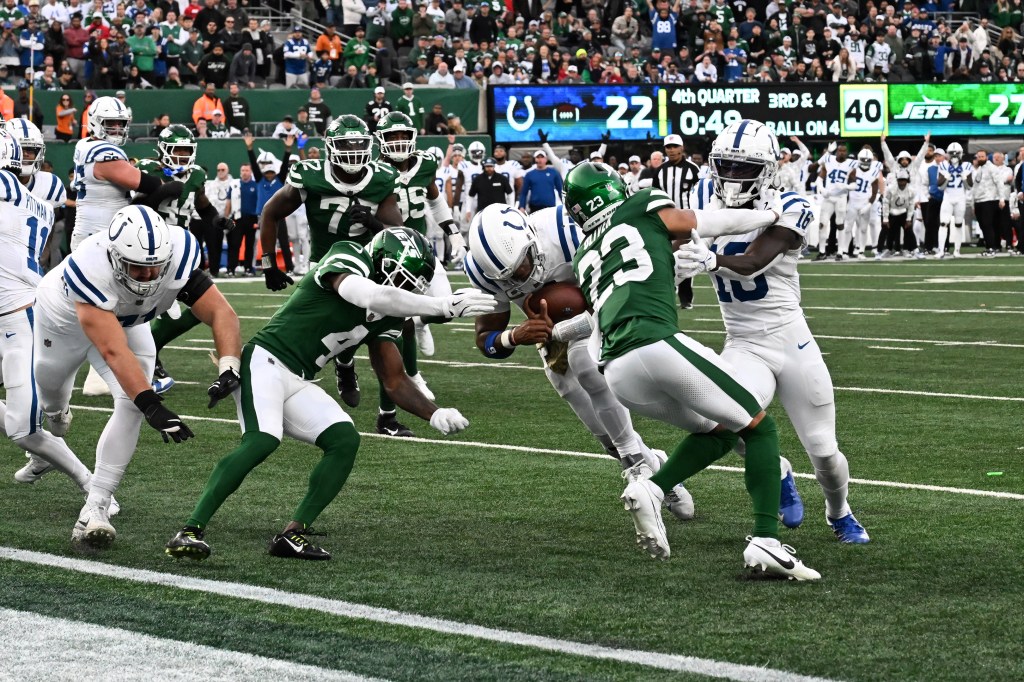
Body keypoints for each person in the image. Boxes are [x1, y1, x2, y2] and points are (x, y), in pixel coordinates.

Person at [165, 228, 493, 560]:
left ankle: (293, 534)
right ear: (386, 263)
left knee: (344, 440)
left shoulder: (390, 312)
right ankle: (190, 530)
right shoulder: (348, 254)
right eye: (406, 278)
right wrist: (439, 304)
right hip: (265, 360)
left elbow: (393, 380)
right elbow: (371, 296)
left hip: (300, 377)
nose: (409, 289)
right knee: (262, 440)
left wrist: (433, 412)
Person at [564, 161, 820, 580]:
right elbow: (706, 221)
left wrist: (558, 329)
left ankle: (652, 487)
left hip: (617, 372)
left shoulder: (585, 256)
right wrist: (770, 216)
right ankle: (765, 542)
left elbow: (595, 321)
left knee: (719, 431)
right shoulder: (641, 205)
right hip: (655, 344)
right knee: (760, 426)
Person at [678, 119, 869, 545]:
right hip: (743, 342)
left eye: (744, 168)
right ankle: (779, 472)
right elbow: (682, 244)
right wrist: (683, 279)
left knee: (823, 450)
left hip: (790, 340)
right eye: (725, 164)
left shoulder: (793, 204)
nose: (732, 176)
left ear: (769, 168)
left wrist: (708, 262)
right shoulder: (700, 197)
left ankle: (839, 512)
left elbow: (752, 261)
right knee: (725, 418)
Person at [464, 202, 695, 521]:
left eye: (523, 263)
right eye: (510, 276)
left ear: (530, 236)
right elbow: (485, 340)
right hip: (550, 335)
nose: (521, 275)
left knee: (586, 365)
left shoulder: (566, 230)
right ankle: (655, 465)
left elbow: (626, 286)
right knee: (603, 434)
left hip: (602, 306)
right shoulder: (483, 271)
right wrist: (515, 336)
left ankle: (637, 466)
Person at [34, 204, 241, 549]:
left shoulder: (179, 254)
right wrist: (152, 405)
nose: (147, 277)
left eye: (154, 268)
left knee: (130, 404)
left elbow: (221, 312)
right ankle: (54, 421)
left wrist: (228, 366)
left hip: (128, 322)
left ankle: (96, 506)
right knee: (52, 402)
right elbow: (114, 351)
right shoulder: (91, 267)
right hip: (64, 323)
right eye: (136, 268)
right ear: (115, 257)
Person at [259, 116, 414, 434]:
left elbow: (398, 233)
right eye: (346, 144)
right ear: (330, 147)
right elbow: (271, 213)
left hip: (372, 268)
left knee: (391, 333)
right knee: (316, 337)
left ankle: (387, 417)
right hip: (325, 268)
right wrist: (267, 262)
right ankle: (341, 364)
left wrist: (374, 224)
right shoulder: (311, 175)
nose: (354, 151)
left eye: (360, 144)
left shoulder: (381, 178)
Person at [0, 128, 100, 505]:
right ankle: (46, 444)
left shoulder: (9, 191)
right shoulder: (37, 203)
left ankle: (91, 483)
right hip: (16, 306)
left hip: (18, 318)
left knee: (22, 429)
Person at [246, 131, 295, 274]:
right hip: (264, 216)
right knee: (266, 245)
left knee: (284, 243)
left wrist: (287, 150)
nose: (269, 175)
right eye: (267, 172)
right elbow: (255, 167)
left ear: (275, 172)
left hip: (280, 215)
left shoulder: (279, 180)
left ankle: (290, 268)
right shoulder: (260, 180)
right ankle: (267, 268)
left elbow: (285, 163)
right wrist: (250, 149)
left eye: (271, 172)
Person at [816, 142, 857, 260]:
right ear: (836, 151)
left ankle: (840, 252)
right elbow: (819, 178)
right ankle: (822, 252)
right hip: (828, 197)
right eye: (840, 150)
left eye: (844, 151)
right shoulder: (829, 161)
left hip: (841, 197)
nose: (842, 153)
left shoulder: (850, 164)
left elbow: (854, 184)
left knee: (840, 224)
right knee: (822, 223)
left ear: (847, 152)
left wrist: (845, 186)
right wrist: (822, 189)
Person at [936, 142, 973, 258]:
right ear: (948, 154)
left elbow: (970, 186)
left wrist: (965, 178)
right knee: (943, 223)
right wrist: (946, 177)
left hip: (960, 197)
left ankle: (957, 250)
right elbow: (939, 186)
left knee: (958, 224)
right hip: (948, 196)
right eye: (952, 153)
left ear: (961, 154)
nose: (955, 155)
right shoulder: (943, 165)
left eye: (957, 153)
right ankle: (941, 250)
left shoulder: (967, 165)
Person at [846, 148, 883, 259]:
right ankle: (845, 251)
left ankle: (861, 250)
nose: (866, 161)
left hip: (865, 201)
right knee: (849, 227)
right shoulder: (852, 168)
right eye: (864, 159)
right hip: (852, 201)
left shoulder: (875, 170)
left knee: (863, 228)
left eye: (868, 160)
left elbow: (876, 188)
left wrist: (869, 204)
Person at [229, 162, 258, 275]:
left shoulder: (255, 185)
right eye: (243, 170)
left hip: (251, 219)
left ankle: (248, 268)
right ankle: (231, 269)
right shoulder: (235, 185)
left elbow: (259, 203)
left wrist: (258, 220)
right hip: (237, 218)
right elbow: (228, 203)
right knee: (235, 244)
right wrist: (226, 218)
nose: (245, 173)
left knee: (250, 245)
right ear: (240, 172)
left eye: (247, 170)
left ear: (250, 172)